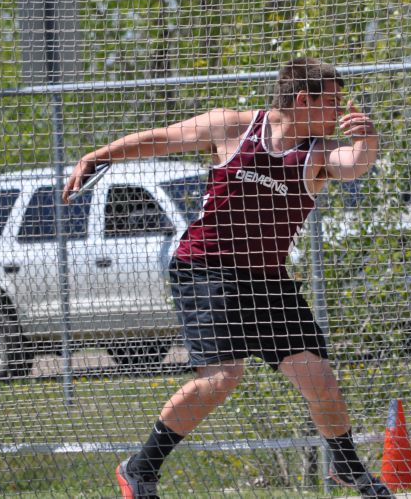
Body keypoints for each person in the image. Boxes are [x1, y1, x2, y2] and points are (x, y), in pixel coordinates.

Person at [63, 57, 393, 499]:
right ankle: (140, 470)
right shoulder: (233, 128)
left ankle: (347, 467)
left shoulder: (316, 154)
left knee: (321, 380)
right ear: (302, 100)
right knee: (222, 377)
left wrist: (368, 138)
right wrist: (99, 155)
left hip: (267, 282)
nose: (338, 113)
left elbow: (354, 163)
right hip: (205, 269)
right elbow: (162, 139)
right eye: (331, 102)